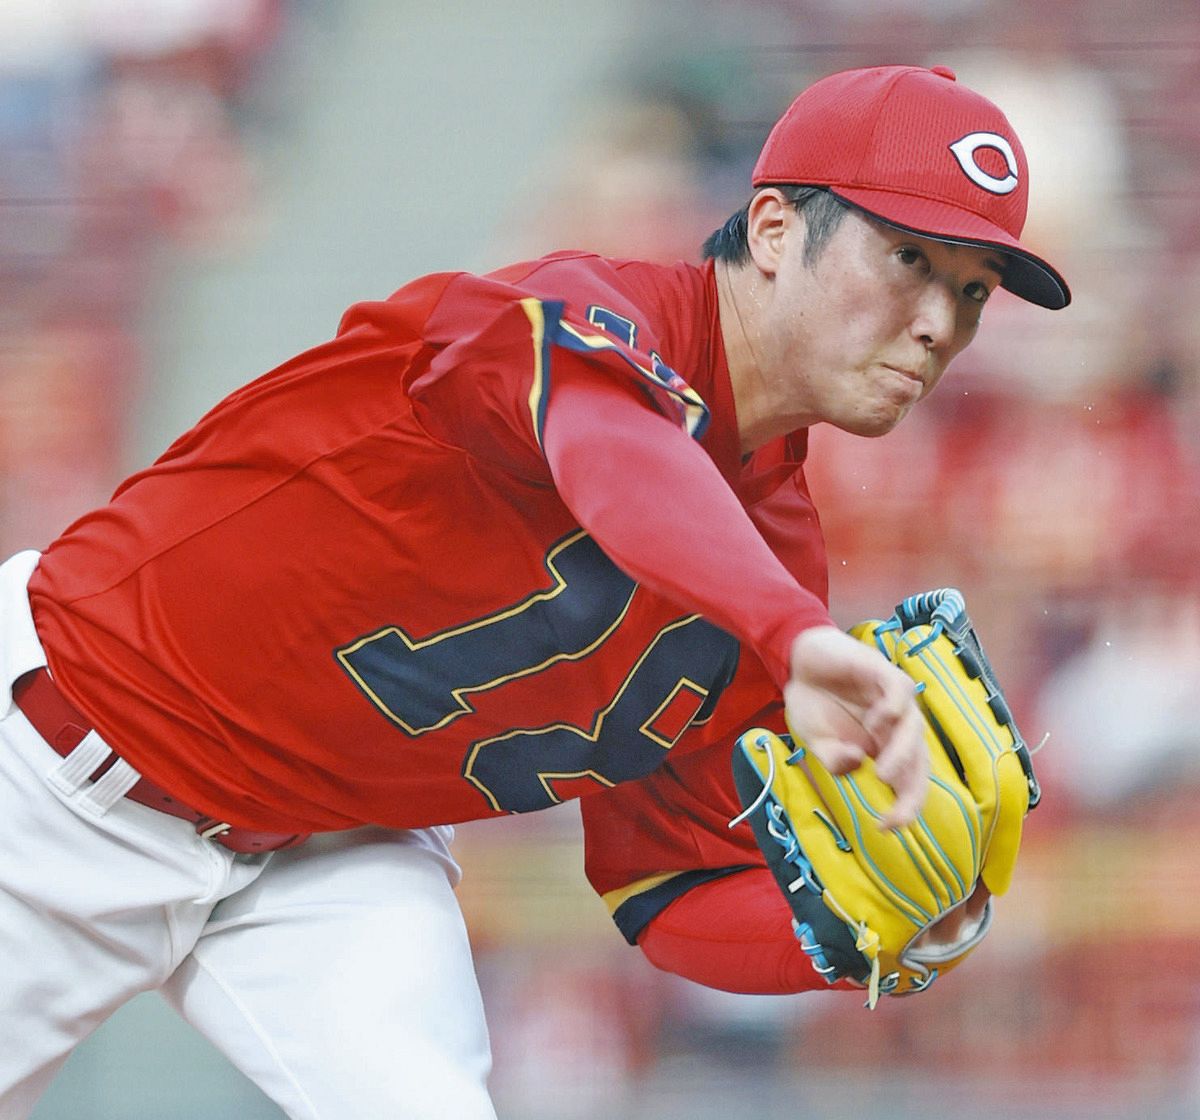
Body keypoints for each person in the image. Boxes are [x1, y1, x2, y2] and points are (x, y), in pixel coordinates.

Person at [0, 64, 1069, 1119]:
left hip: (330, 846)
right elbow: (611, 447)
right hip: (57, 772)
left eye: (971, 290)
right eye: (910, 258)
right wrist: (788, 634)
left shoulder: (770, 567)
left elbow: (670, 890)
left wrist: (872, 940)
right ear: (777, 229)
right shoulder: (576, 310)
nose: (939, 321)